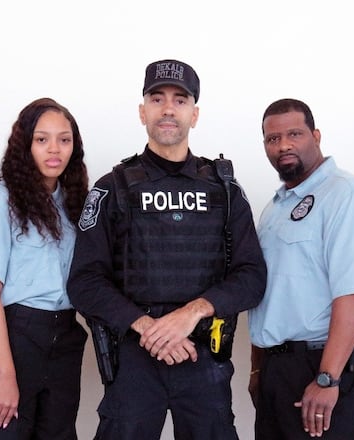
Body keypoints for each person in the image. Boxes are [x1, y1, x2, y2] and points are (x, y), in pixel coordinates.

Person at [67, 59, 267, 439]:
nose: (168, 108)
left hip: (203, 355)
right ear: (143, 112)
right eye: (157, 99)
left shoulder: (224, 190)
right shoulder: (113, 188)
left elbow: (252, 276)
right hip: (134, 357)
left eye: (180, 99)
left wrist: (190, 315)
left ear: (195, 113)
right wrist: (150, 329)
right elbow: (85, 282)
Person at [248, 99, 354, 439]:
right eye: (272, 138)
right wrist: (259, 369)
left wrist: (328, 377)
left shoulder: (346, 195)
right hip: (278, 369)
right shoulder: (275, 209)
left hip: (329, 366)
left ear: (316, 135)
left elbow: (353, 292)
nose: (283, 145)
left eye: (294, 134)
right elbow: (267, 293)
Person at [0, 98, 89, 439]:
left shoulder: (76, 204)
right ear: (25, 145)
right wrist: (6, 374)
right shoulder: (1, 202)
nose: (54, 149)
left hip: (64, 338)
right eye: (42, 139)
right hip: (16, 337)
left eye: (64, 140)